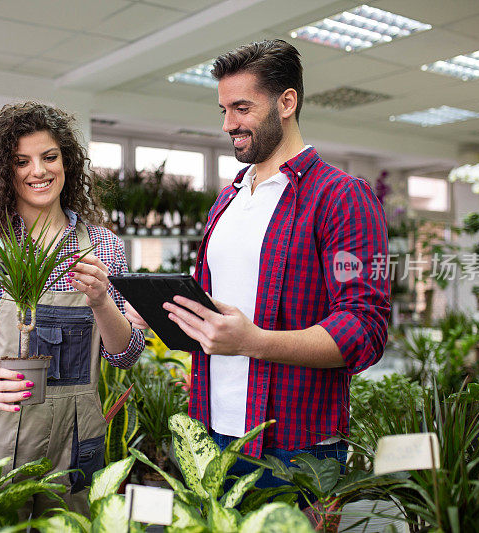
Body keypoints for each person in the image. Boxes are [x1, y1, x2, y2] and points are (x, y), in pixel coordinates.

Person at [125, 40, 390, 507]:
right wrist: (156, 309)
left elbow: (364, 330)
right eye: (224, 109)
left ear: (287, 102)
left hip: (293, 445)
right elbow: (210, 307)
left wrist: (254, 341)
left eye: (242, 108)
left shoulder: (342, 196)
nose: (229, 124)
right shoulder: (227, 200)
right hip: (209, 430)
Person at [0, 102, 145, 516]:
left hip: (75, 443)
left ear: (67, 162)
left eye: (49, 157)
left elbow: (126, 354)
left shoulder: (103, 247)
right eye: (21, 161)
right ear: (3, 172)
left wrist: (101, 300)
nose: (39, 171)